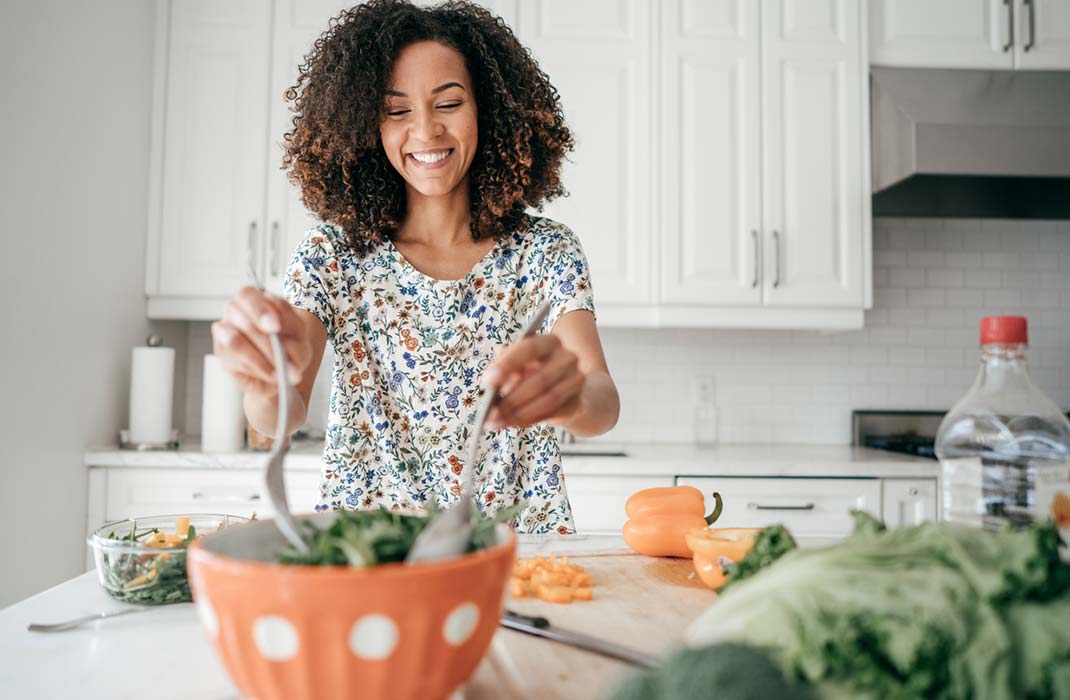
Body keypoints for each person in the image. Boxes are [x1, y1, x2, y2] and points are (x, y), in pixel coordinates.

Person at [211, 0, 619, 534]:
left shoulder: (543, 251)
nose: (425, 131)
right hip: (373, 556)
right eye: (397, 111)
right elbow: (277, 420)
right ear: (364, 126)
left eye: (448, 103)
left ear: (488, 110)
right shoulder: (334, 255)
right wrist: (267, 381)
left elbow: (602, 402)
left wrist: (569, 398)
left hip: (518, 557)